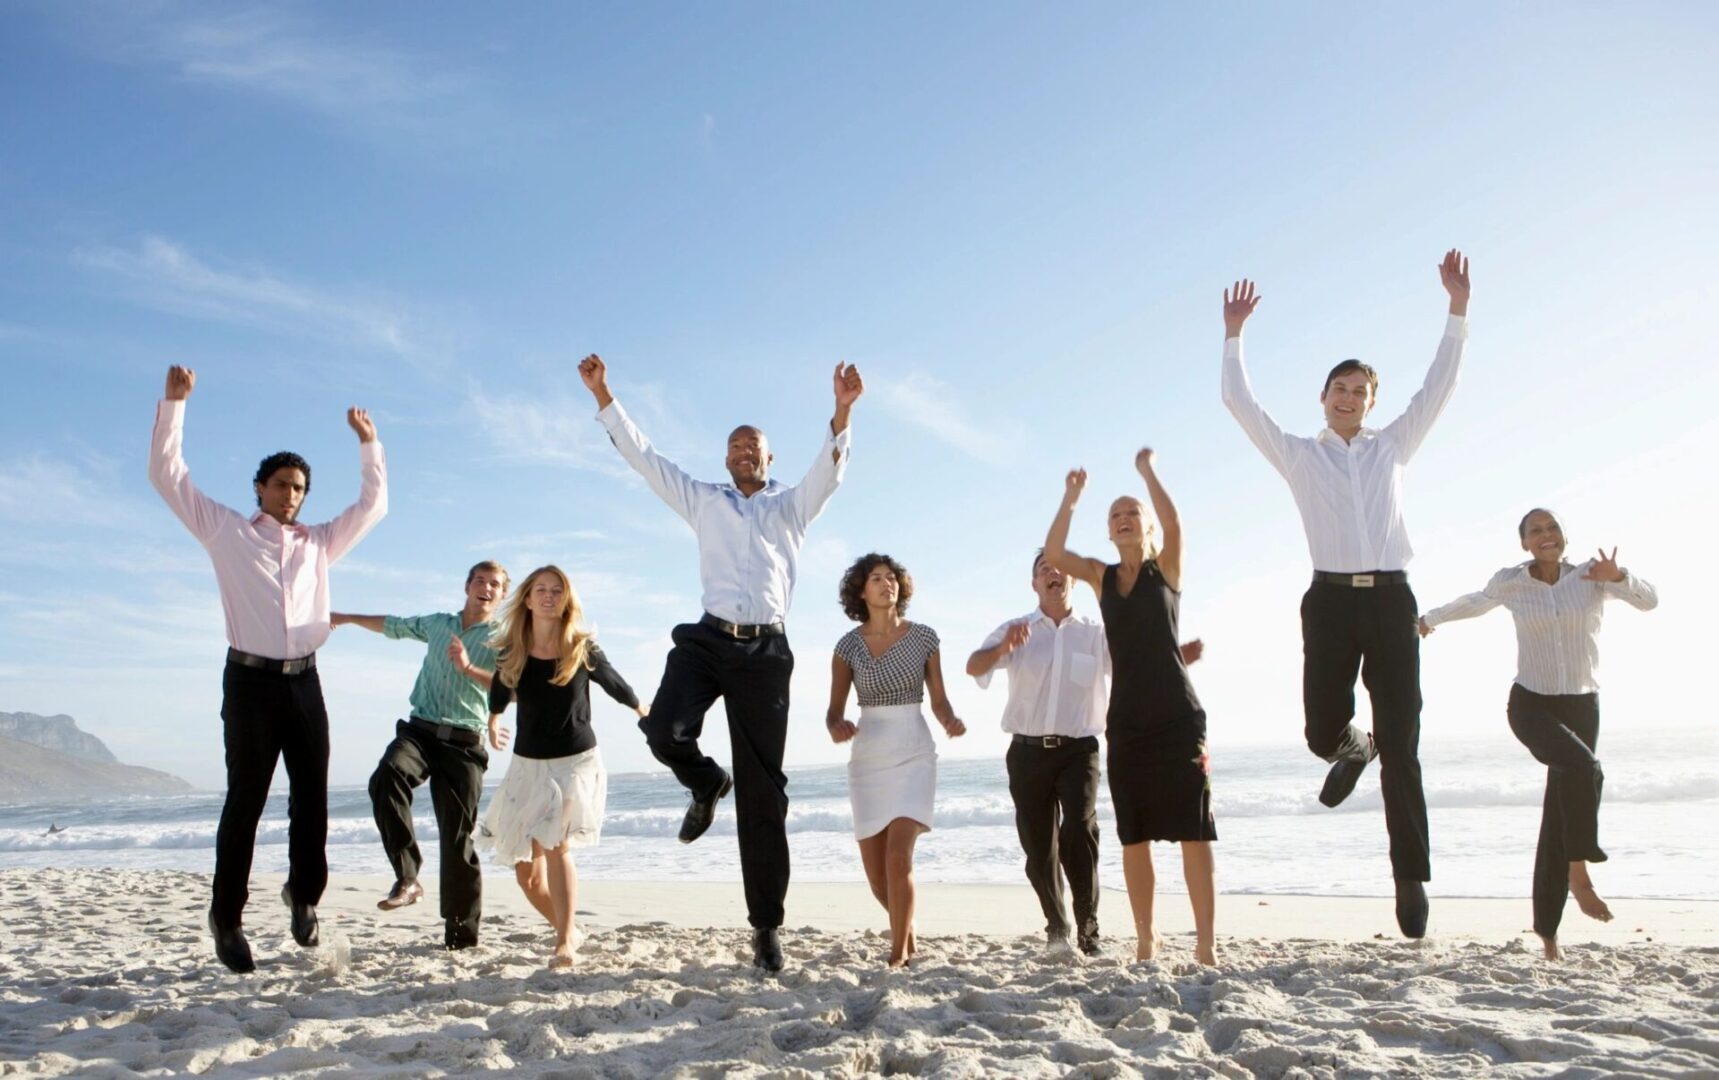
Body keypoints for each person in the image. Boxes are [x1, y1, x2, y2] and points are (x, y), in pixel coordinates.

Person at [577, 352, 862, 973]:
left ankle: (765, 927)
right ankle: (706, 782)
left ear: (768, 458)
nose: (742, 451)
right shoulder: (704, 500)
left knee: (765, 795)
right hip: (708, 641)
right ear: (725, 457)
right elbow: (647, 460)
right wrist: (606, 397)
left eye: (753, 445)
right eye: (734, 445)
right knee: (662, 729)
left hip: (765, 653)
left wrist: (841, 412)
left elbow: (830, 472)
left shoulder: (792, 505)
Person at [1219, 251, 1471, 938]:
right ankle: (1351, 749)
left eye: (1360, 390)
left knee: (1406, 745)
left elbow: (1438, 386)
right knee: (1317, 729)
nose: (1349, 397)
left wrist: (1456, 309)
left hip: (1391, 604)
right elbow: (1239, 405)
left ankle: (1409, 878)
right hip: (1328, 604)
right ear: (1323, 397)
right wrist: (1233, 333)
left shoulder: (1392, 447)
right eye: (1339, 387)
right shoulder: (1300, 455)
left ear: (1371, 403)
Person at [149, 364, 387, 973]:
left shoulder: (319, 544)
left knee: (313, 801)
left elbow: (374, 505)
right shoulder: (226, 530)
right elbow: (168, 477)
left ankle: (303, 897)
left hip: (305, 682)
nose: (291, 494)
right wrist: (175, 405)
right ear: (259, 488)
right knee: (246, 802)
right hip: (250, 683)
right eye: (281, 484)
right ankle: (226, 917)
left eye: (300, 487)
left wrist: (368, 444)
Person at [1419, 510, 1657, 959]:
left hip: (1583, 705)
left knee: (1559, 809)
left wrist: (1620, 576)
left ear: (1565, 536)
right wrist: (1429, 618)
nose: (1546, 536)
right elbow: (1475, 601)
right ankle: (1580, 873)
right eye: (1536, 531)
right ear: (1525, 543)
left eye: (1552, 529)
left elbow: (1650, 601)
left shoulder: (1591, 576)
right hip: (1532, 704)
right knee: (1585, 767)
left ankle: (1547, 934)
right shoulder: (1513, 582)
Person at [968, 552, 1204, 956]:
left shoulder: (1096, 632)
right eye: (1043, 570)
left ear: (1073, 581)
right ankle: (1057, 924)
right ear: (1034, 584)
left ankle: (1088, 926)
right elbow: (974, 666)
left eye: (1058, 569)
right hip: (1027, 753)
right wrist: (1002, 648)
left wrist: (1176, 657)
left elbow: (1136, 666)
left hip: (1080, 751)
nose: (1052, 574)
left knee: (1079, 830)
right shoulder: (1016, 629)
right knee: (1039, 849)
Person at [1043, 449, 1218, 965]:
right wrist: (1071, 499)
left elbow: (1175, 520)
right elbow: (1054, 549)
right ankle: (1147, 938)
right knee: (1134, 834)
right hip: (1127, 723)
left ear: (1145, 527)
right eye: (1115, 514)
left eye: (1131, 513)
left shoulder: (1167, 568)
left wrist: (1148, 473)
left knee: (1194, 828)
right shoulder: (1099, 576)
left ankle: (1205, 943)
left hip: (1180, 718)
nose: (1123, 518)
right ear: (1109, 530)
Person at [329, 560, 510, 950]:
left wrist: (470, 674)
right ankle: (408, 878)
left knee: (458, 839)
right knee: (386, 776)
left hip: (464, 743)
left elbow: (509, 685)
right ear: (467, 585)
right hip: (419, 730)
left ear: (502, 595)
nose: (486, 588)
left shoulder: (503, 638)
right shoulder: (437, 623)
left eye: (495, 584)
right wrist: (345, 617)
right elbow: (393, 625)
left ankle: (461, 938)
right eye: (480, 580)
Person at [477, 565, 646, 969]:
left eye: (557, 590)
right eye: (541, 589)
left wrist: (641, 708)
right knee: (526, 875)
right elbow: (501, 688)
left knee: (556, 844)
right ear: (528, 598)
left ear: (566, 599)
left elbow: (613, 682)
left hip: (575, 762)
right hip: (527, 764)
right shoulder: (512, 648)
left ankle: (564, 944)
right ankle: (569, 930)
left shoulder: (580, 647)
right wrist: (494, 719)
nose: (549, 596)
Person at [825, 553, 965, 968]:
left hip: (913, 751)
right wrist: (837, 725)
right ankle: (908, 931)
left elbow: (939, 701)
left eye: (891, 578)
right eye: (876, 578)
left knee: (898, 856)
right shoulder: (847, 647)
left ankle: (897, 955)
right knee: (876, 878)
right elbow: (833, 710)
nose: (886, 584)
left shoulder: (924, 638)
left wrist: (950, 720)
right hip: (868, 757)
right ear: (861, 591)